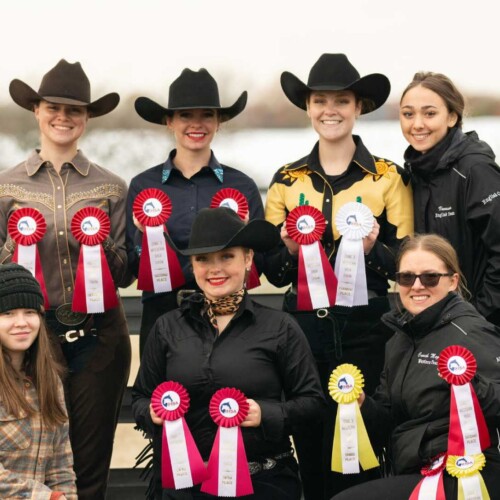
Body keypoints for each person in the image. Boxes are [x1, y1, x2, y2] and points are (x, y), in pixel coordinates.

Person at [264, 53, 414, 498]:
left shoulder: (388, 177)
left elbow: (407, 263)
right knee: (309, 434)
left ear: (358, 107)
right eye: (320, 100)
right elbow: (273, 273)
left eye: (341, 100)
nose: (330, 110)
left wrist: (373, 249)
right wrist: (292, 243)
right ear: (308, 107)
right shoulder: (286, 180)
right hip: (302, 328)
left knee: (367, 436)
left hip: (367, 324)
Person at [0, 60, 133, 500]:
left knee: (89, 464)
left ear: (87, 117)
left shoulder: (113, 187)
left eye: (75, 110)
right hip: (33, 340)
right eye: (53, 107)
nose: (63, 117)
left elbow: (128, 271)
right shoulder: (5, 188)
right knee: (35, 460)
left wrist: (97, 246)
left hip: (99, 337)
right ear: (36, 111)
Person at [132, 207, 326, 499]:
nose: (215, 269)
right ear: (193, 266)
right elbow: (140, 398)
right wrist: (153, 412)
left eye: (227, 256)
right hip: (185, 486)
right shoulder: (166, 328)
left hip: (263, 483)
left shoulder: (280, 327)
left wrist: (267, 413)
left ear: (248, 259)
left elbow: (313, 405)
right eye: (203, 260)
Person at [332, 234, 500, 499]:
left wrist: (470, 385)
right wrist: (362, 404)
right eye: (407, 277)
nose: (417, 286)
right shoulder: (400, 339)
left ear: (453, 282)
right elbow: (389, 420)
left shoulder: (471, 331)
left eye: (430, 277)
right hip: (416, 468)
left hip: (467, 475)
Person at [126, 68, 264, 356]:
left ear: (219, 122)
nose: (197, 124)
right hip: (162, 314)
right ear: (169, 121)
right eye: (186, 115)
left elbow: (258, 260)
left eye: (207, 115)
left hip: (230, 317)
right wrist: (143, 241)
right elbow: (132, 261)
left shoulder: (243, 186)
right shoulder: (142, 185)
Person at [400, 71, 500, 326]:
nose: (417, 124)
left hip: (479, 325)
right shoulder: (414, 171)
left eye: (430, 113)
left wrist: (475, 316)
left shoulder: (475, 170)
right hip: (435, 324)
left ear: (452, 117)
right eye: (408, 114)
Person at [0, 262, 77, 500]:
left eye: (30, 312)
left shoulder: (49, 380)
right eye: (8, 314)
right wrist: (45, 497)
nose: (21, 322)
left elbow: (61, 464)